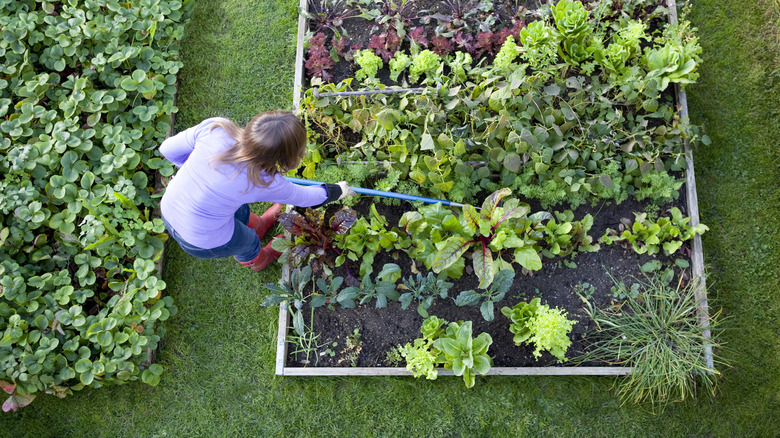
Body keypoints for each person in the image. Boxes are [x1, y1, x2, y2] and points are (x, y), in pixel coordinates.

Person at [159, 110, 355, 271]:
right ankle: (260, 260)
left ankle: (260, 225)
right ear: (286, 158)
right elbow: (305, 197)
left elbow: (167, 149)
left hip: (170, 207)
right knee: (247, 241)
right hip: (200, 238)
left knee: (239, 209)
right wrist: (338, 190)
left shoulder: (216, 129)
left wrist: (196, 173)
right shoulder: (263, 181)